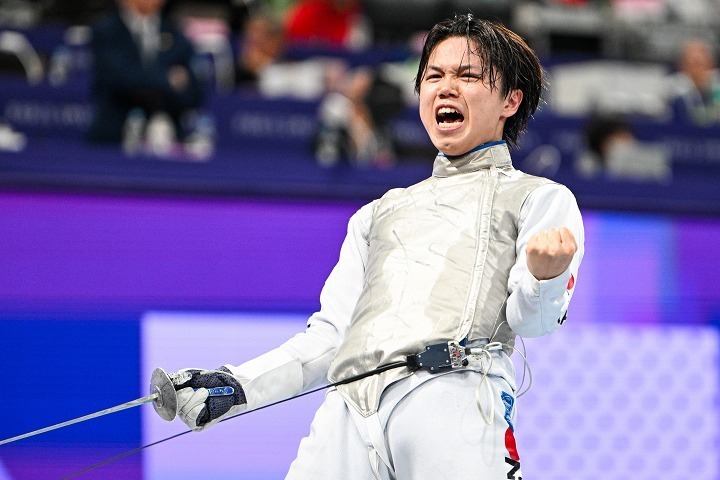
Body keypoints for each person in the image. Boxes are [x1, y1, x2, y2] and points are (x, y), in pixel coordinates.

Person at [166, 14, 584, 479]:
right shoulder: (379, 213)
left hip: (454, 399)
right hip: (348, 410)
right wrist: (239, 384)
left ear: (511, 99)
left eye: (467, 76)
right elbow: (329, 339)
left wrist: (545, 278)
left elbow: (535, 321)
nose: (446, 88)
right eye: (434, 76)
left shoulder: (538, 197)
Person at [86, 0, 204, 145]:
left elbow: (194, 88)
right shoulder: (105, 31)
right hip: (112, 136)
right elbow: (119, 78)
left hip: (169, 135)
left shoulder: (175, 32)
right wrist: (168, 79)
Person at [667, 38, 720, 126]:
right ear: (682, 66)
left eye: (700, 64)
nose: (696, 70)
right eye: (691, 64)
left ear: (710, 65)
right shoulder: (672, 88)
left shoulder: (717, 87)